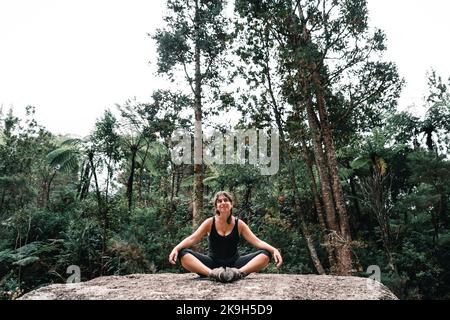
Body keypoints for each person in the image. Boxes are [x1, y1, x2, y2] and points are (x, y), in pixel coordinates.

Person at [168, 191, 283, 283]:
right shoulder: (209, 222)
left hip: (235, 264)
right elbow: (192, 239)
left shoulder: (239, 224)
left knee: (266, 254)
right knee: (183, 254)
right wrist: (176, 248)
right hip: (212, 264)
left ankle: (238, 274)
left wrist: (273, 250)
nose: (223, 202)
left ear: (231, 204)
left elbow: (256, 241)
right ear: (216, 206)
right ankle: (213, 275)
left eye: (226, 200)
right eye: (219, 201)